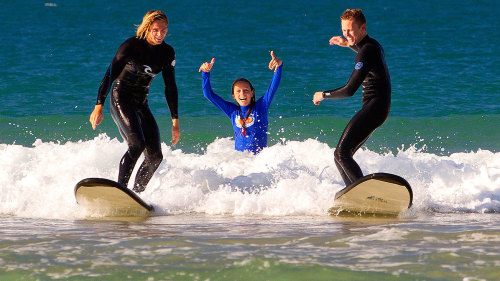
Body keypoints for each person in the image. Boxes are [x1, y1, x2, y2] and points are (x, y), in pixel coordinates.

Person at [89, 10, 180, 193]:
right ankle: (121, 190)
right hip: (121, 97)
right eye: (156, 29)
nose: (160, 33)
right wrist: (99, 105)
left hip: (141, 102)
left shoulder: (167, 52)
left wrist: (175, 120)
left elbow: (170, 86)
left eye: (164, 29)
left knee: (155, 156)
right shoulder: (131, 46)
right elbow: (110, 75)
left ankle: (136, 195)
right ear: (147, 28)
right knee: (137, 144)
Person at [312, 9, 391, 187]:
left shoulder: (366, 51)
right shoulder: (373, 45)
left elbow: (349, 90)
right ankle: (354, 192)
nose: (346, 34)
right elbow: (363, 49)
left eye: (350, 30)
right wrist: (346, 44)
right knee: (340, 154)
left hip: (375, 107)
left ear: (363, 27)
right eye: (344, 30)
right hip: (377, 108)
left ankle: (365, 195)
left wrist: (323, 95)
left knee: (342, 154)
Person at [198, 51, 282, 154]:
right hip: (240, 161)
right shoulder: (232, 111)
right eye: (238, 91)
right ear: (233, 96)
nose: (242, 94)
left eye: (246, 90)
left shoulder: (261, 106)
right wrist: (205, 73)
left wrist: (279, 67)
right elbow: (208, 95)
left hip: (259, 162)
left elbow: (272, 88)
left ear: (252, 93)